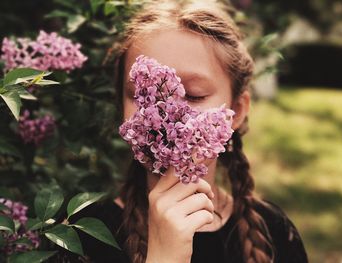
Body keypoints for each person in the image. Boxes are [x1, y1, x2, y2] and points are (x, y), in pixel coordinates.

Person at [60, 0, 308, 262]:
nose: (166, 116)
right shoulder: (79, 235)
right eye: (142, 94)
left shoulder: (274, 235)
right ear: (120, 104)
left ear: (236, 110)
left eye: (193, 95)